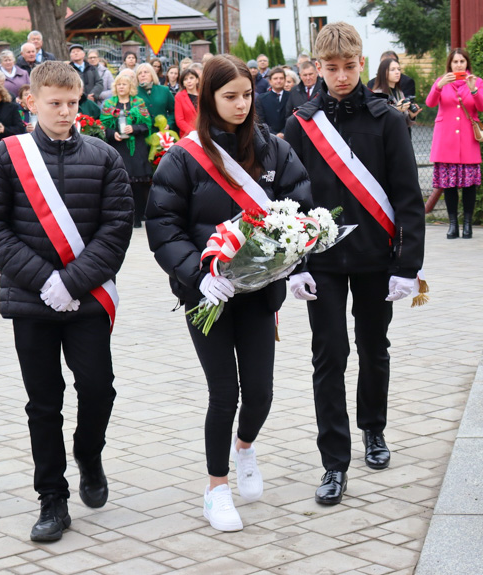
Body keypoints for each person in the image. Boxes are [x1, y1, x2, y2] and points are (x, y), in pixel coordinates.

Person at [145, 54, 312, 532]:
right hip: (208, 297)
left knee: (259, 392)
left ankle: (245, 448)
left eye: (247, 95)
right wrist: (197, 275)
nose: (241, 105)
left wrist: (292, 260)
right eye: (229, 96)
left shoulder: (273, 150)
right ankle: (216, 489)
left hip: (259, 294)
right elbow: (163, 225)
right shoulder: (183, 156)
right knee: (224, 393)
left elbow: (301, 206)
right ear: (208, 99)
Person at [0, 60, 133, 543]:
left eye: (72, 103)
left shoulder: (104, 157)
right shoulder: (6, 156)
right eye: (54, 104)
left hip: (85, 300)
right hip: (30, 300)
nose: (65, 112)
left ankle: (89, 453)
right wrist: (45, 281)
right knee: (44, 403)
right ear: (31, 102)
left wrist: (73, 283)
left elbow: (117, 228)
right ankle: (53, 499)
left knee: (98, 388)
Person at [284, 21, 425, 506]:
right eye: (331, 68)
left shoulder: (386, 119)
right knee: (329, 355)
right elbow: (287, 200)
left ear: (361, 64)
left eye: (348, 67)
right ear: (316, 68)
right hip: (320, 261)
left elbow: (408, 196)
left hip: (374, 259)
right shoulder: (301, 123)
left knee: (373, 347)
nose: (341, 76)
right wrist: (294, 264)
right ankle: (333, 462)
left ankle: (374, 430)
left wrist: (408, 266)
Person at [425, 47, 483, 239]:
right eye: (455, 62)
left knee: (469, 185)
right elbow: (430, 103)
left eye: (462, 61)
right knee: (449, 185)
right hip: (446, 141)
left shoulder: (476, 81)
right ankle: (453, 225)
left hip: (468, 141)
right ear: (450, 65)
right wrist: (438, 86)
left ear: (467, 63)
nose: (459, 65)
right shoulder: (441, 82)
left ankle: (467, 225)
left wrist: (473, 90)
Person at [101, 72, 152, 227]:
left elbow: (146, 125)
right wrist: (112, 133)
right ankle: (124, 216)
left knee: (138, 183)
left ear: (130, 87)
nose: (121, 87)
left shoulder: (138, 102)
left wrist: (133, 128)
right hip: (118, 146)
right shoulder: (109, 104)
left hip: (137, 148)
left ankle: (138, 216)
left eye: (124, 84)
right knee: (122, 182)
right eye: (118, 84)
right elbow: (102, 126)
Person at [372, 58, 421, 128]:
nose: (397, 72)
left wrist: (411, 116)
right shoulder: (378, 94)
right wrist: (397, 109)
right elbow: (379, 119)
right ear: (383, 72)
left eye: (399, 69)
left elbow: (404, 122)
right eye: (392, 69)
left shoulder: (399, 92)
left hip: (398, 135)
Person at [135, 63, 175, 133]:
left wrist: (169, 123)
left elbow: (174, 110)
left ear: (152, 74)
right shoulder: (134, 93)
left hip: (162, 133)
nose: (143, 75)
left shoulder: (164, 90)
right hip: (142, 134)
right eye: (139, 73)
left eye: (146, 72)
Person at [254, 67, 289, 136]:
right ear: (270, 81)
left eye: (281, 78)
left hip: (288, 135)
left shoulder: (292, 96)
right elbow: (260, 120)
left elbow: (292, 117)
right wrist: (274, 134)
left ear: (285, 80)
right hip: (269, 137)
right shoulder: (261, 99)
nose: (278, 81)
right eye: (275, 78)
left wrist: (283, 132)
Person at [174, 67, 199, 137]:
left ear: (197, 80)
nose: (189, 81)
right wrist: (193, 132)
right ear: (183, 83)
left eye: (191, 78)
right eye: (185, 79)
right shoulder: (179, 96)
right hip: (188, 135)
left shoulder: (204, 94)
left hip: (205, 133)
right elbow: (179, 120)